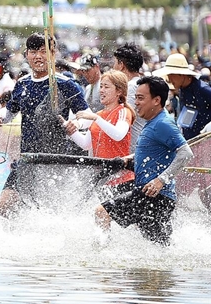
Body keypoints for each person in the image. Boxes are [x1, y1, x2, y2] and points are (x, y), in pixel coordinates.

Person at [0, 32, 91, 218]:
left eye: (44, 51)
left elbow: (87, 116)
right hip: (27, 157)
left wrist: (75, 123)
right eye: (34, 51)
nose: (38, 56)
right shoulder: (22, 83)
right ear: (27, 54)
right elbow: (10, 111)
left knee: (49, 212)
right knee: (4, 206)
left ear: (53, 54)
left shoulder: (66, 84)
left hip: (55, 158)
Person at [95, 76, 193, 245]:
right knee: (157, 246)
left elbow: (186, 153)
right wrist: (128, 159)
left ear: (156, 100)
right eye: (136, 98)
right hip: (152, 194)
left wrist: (161, 180)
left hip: (155, 195)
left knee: (101, 211)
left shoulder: (163, 123)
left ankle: (103, 254)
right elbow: (152, 153)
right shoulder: (152, 122)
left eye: (141, 98)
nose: (136, 103)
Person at [66, 70, 136, 189]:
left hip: (122, 179)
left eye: (106, 87)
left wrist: (95, 118)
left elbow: (118, 135)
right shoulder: (99, 114)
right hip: (102, 180)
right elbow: (86, 144)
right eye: (101, 86)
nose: (101, 90)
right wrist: (72, 131)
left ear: (119, 91)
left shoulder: (123, 111)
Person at [153, 53, 211, 140]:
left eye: (171, 75)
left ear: (181, 74)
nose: (169, 79)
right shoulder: (182, 90)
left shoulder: (203, 89)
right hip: (190, 141)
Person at [113, 43, 146, 151]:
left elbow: (121, 117)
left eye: (114, 63)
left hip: (133, 149)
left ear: (121, 65)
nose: (113, 68)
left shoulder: (131, 88)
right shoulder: (142, 84)